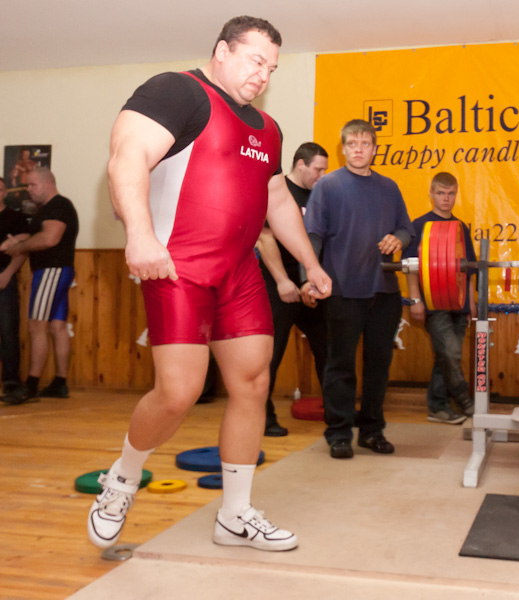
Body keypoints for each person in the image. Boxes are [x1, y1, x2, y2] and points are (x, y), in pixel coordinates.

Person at [88, 16, 332, 552]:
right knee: (179, 392)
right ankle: (122, 479)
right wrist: (140, 236)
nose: (263, 75)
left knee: (253, 383)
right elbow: (127, 157)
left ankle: (235, 514)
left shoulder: (268, 129)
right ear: (222, 51)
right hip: (178, 266)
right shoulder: (177, 91)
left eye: (271, 68)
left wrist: (310, 264)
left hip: (239, 271)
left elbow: (277, 200)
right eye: (255, 60)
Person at [303, 119, 414, 459]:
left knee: (378, 365)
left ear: (375, 149)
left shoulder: (389, 188)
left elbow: (406, 229)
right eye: (352, 144)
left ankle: (371, 431)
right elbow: (313, 236)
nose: (358, 150)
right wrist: (308, 276)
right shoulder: (327, 186)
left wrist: (399, 238)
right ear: (343, 149)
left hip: (384, 292)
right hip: (342, 291)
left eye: (365, 144)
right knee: (340, 365)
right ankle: (338, 433)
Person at [257, 142, 329, 436]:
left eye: (325, 170)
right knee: (271, 355)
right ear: (300, 164)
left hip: (310, 287)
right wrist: (282, 280)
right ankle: (263, 418)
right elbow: (264, 237)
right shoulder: (278, 191)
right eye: (318, 169)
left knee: (327, 349)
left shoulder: (320, 196)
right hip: (280, 286)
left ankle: (336, 412)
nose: (322, 176)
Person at [0, 167, 78, 405]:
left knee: (36, 325)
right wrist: (19, 240)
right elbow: (38, 235)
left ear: (48, 183)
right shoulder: (49, 209)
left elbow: (49, 238)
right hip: (56, 271)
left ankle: (31, 386)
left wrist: (17, 247)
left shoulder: (58, 206)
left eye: (33, 185)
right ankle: (60, 383)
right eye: (27, 185)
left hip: (51, 271)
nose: (29, 190)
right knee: (57, 327)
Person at [404, 172, 476, 425]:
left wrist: (471, 303)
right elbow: (410, 266)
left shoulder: (461, 227)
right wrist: (415, 300)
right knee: (451, 354)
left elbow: (469, 269)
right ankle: (465, 400)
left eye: (451, 193)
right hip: (433, 303)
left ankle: (438, 407)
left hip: (459, 303)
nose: (446, 198)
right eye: (441, 193)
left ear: (456, 195)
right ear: (431, 194)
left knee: (445, 357)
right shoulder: (419, 225)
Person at [0, 177, 30, 397]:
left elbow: (23, 247)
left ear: (5, 192)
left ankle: (10, 381)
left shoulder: (15, 218)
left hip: (3, 278)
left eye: (0, 189)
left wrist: (8, 273)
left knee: (8, 330)